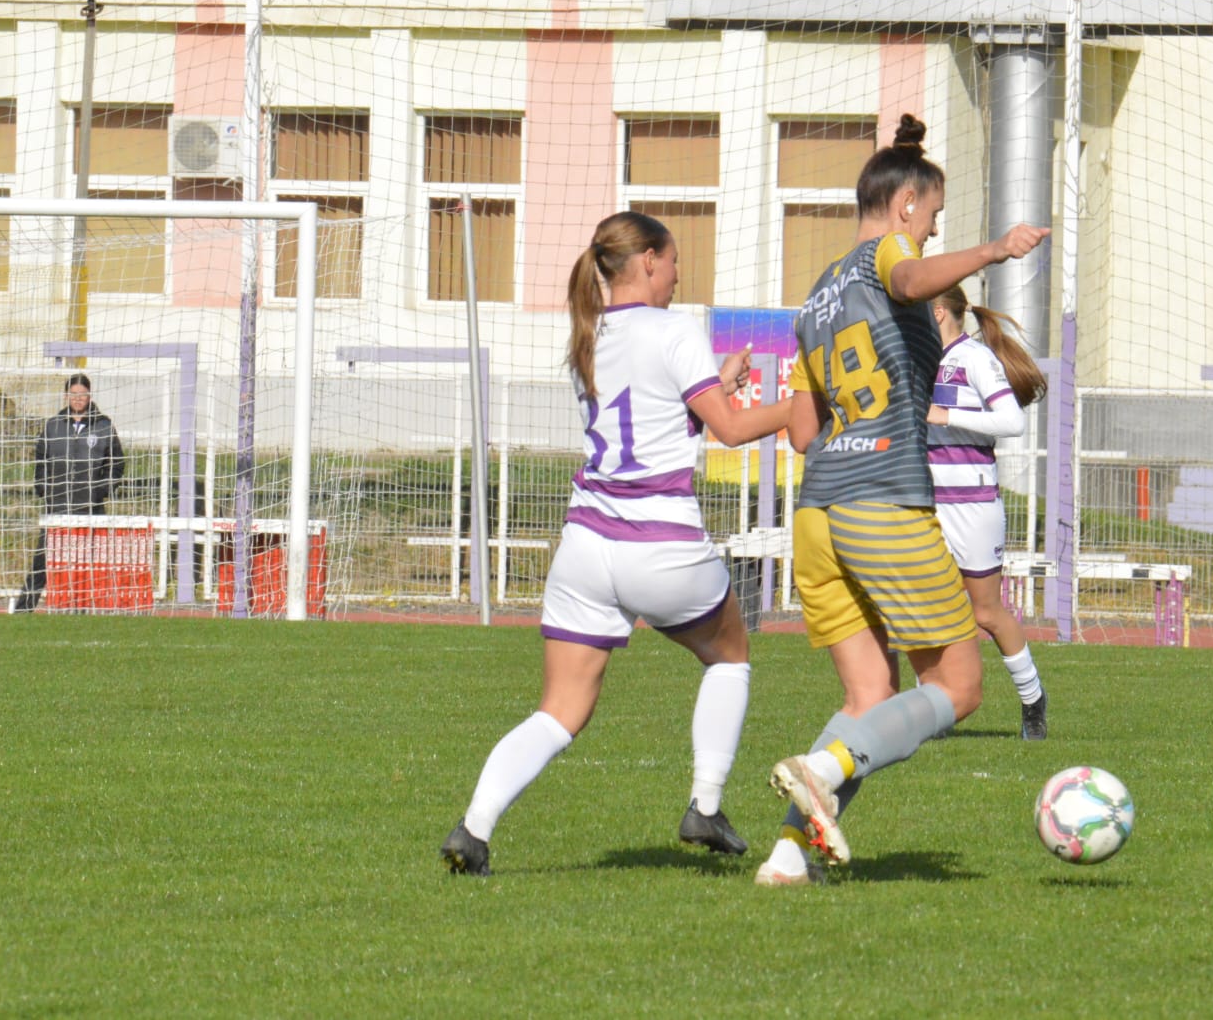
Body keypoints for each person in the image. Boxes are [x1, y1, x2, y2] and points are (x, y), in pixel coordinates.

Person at [441, 210, 791, 876]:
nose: (679, 274)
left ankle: (473, 828)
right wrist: (807, 406)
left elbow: (649, 416)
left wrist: (715, 381)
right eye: (675, 260)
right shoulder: (674, 328)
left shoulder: (587, 333)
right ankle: (705, 804)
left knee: (559, 711)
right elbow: (730, 429)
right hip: (660, 540)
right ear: (650, 260)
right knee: (730, 655)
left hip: (585, 545)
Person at [755, 115, 1049, 886]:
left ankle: (788, 855)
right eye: (933, 215)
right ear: (906, 204)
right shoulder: (889, 252)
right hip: (883, 500)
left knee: (867, 694)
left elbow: (802, 431)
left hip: (817, 512)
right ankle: (822, 767)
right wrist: (994, 249)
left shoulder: (814, 300)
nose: (932, 230)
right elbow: (910, 278)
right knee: (958, 686)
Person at [926, 285, 1050, 739]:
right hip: (926, 503)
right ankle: (933, 708)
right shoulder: (916, 356)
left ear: (939, 312)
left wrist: (946, 416)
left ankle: (1033, 698)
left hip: (974, 505)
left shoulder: (974, 358)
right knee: (928, 607)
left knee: (986, 612)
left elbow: (1012, 421)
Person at [13, 373, 124, 613]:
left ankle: (92, 609)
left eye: (82, 394)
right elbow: (41, 461)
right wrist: (44, 489)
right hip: (58, 504)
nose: (78, 398)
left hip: (90, 506)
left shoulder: (104, 426)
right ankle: (23, 610)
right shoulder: (53, 425)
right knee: (43, 560)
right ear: (66, 396)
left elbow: (116, 464)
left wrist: (102, 490)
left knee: (92, 561)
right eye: (73, 394)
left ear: (89, 396)